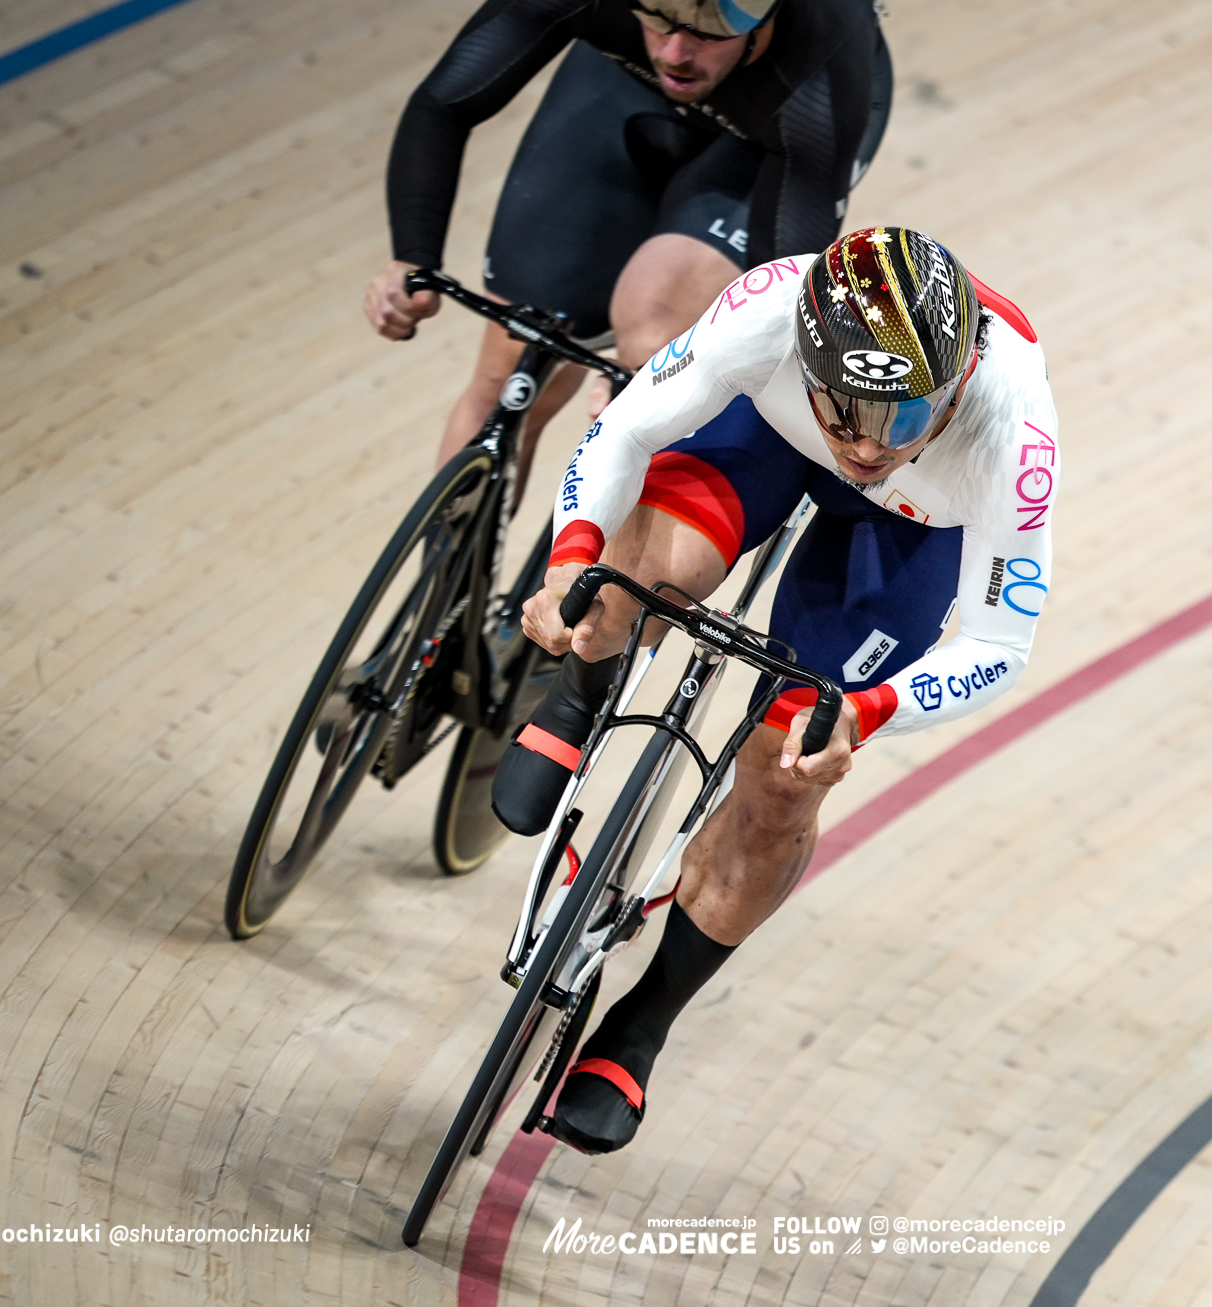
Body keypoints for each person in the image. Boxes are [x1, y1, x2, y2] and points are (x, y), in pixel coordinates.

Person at [494, 226, 1059, 1154]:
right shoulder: (765, 312)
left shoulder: (1015, 435)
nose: (867, 446)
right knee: (630, 578)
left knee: (789, 771)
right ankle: (579, 693)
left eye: (903, 421)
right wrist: (570, 562)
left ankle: (641, 1025)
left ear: (957, 388)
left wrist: (872, 711)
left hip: (914, 530)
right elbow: (626, 428)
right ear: (808, 357)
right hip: (766, 438)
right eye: (844, 411)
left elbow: (1001, 636)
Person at [361, 0, 893, 480]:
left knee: (653, 322)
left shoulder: (825, 51)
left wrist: (663, 382)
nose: (677, 52)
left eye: (709, 31)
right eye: (659, 17)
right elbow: (445, 103)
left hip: (774, 132)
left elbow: (780, 292)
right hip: (621, 83)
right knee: (509, 368)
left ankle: (592, 581)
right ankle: (451, 580)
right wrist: (412, 255)